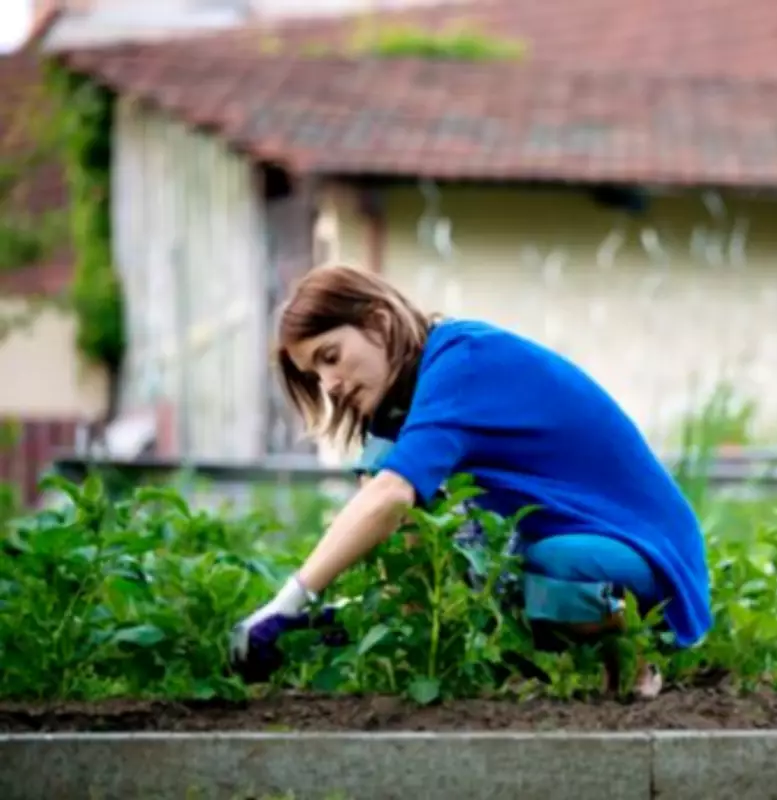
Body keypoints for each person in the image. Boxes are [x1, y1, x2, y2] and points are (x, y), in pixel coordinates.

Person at [230, 264, 712, 698]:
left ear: (378, 321)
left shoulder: (460, 362)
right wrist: (325, 625)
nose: (329, 385)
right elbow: (406, 569)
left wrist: (288, 601)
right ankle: (548, 661)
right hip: (574, 537)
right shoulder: (395, 415)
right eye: (314, 375)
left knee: (547, 568)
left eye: (330, 356)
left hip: (647, 548)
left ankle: (634, 657)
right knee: (462, 543)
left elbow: (390, 496)